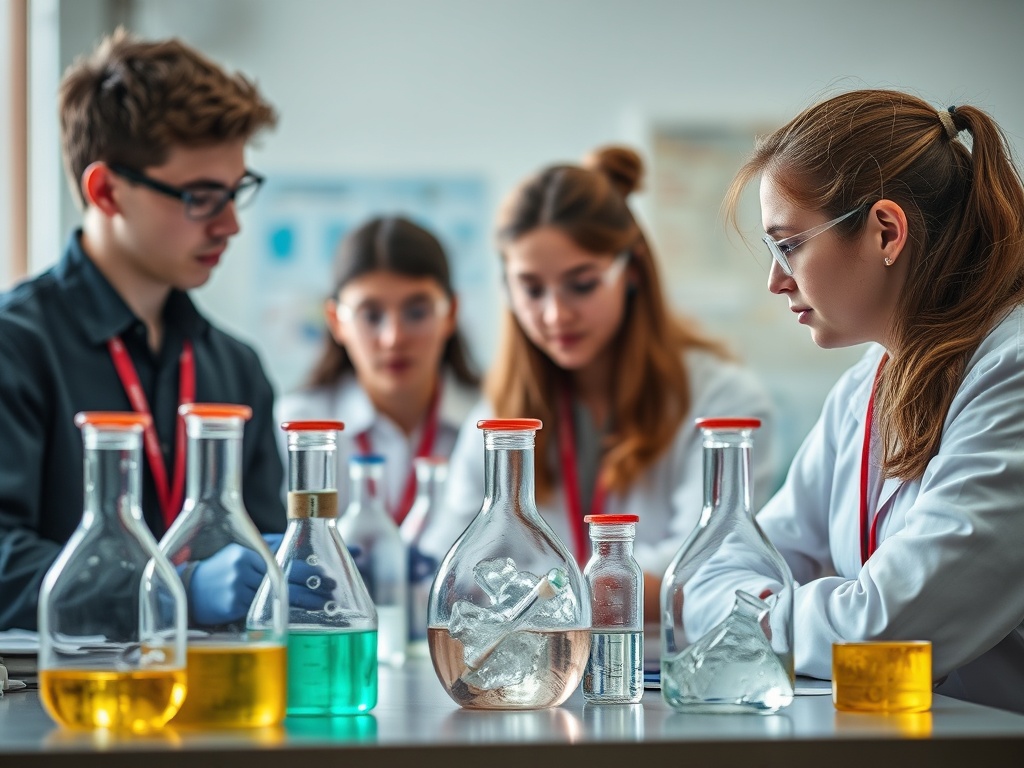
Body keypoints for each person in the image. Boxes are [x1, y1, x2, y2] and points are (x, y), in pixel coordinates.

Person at [722, 89, 1024, 712]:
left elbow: (886, 631)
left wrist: (752, 616)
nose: (776, 280)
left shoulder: (1012, 370)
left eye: (788, 245)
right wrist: (794, 610)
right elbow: (736, 560)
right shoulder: (869, 382)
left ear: (885, 231)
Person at [0, 30, 286, 631]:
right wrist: (167, 590)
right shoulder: (16, 347)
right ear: (106, 191)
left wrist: (296, 562)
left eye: (236, 192)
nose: (230, 224)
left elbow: (258, 550)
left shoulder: (235, 369)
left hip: (218, 706)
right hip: (57, 708)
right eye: (202, 197)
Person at [420, 146, 778, 621]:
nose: (555, 314)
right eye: (531, 288)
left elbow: (707, 571)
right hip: (536, 678)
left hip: (661, 672)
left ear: (630, 272)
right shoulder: (502, 411)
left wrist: (535, 593)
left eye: (582, 284)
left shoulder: (722, 401)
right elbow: (448, 565)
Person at [276, 216, 479, 522]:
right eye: (371, 316)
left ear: (450, 314)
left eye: (417, 312)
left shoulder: (491, 422)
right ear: (335, 321)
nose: (393, 337)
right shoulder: (298, 424)